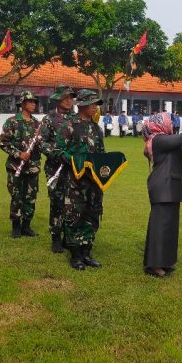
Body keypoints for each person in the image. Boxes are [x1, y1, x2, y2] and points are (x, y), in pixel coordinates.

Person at [141, 111, 182, 277]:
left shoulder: (164, 141)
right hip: (163, 186)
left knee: (169, 227)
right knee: (160, 228)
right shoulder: (158, 140)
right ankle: (154, 265)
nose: (171, 124)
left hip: (168, 186)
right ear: (159, 123)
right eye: (168, 121)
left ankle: (165, 262)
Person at [57, 89, 106, 270]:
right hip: (75, 182)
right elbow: (57, 150)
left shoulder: (96, 128)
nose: (95, 107)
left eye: (96, 104)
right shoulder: (69, 125)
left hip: (94, 182)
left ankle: (87, 252)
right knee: (74, 216)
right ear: (83, 105)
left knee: (91, 215)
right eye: (93, 104)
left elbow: (101, 154)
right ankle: (75, 255)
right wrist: (74, 161)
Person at [39, 85, 76, 253]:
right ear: (58, 99)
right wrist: (57, 153)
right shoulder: (49, 119)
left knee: (73, 203)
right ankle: (56, 237)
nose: (69, 100)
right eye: (65, 97)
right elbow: (41, 142)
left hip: (75, 168)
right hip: (56, 168)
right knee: (57, 202)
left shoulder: (77, 119)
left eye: (71, 97)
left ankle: (70, 237)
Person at [0, 90, 42, 238]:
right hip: (15, 167)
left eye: (34, 102)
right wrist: (18, 154)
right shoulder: (12, 121)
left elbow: (42, 144)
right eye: (30, 101)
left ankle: (27, 226)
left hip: (33, 167)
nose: (33, 104)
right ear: (22, 104)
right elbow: (3, 143)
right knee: (16, 196)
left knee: (30, 197)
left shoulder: (38, 124)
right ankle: (16, 226)